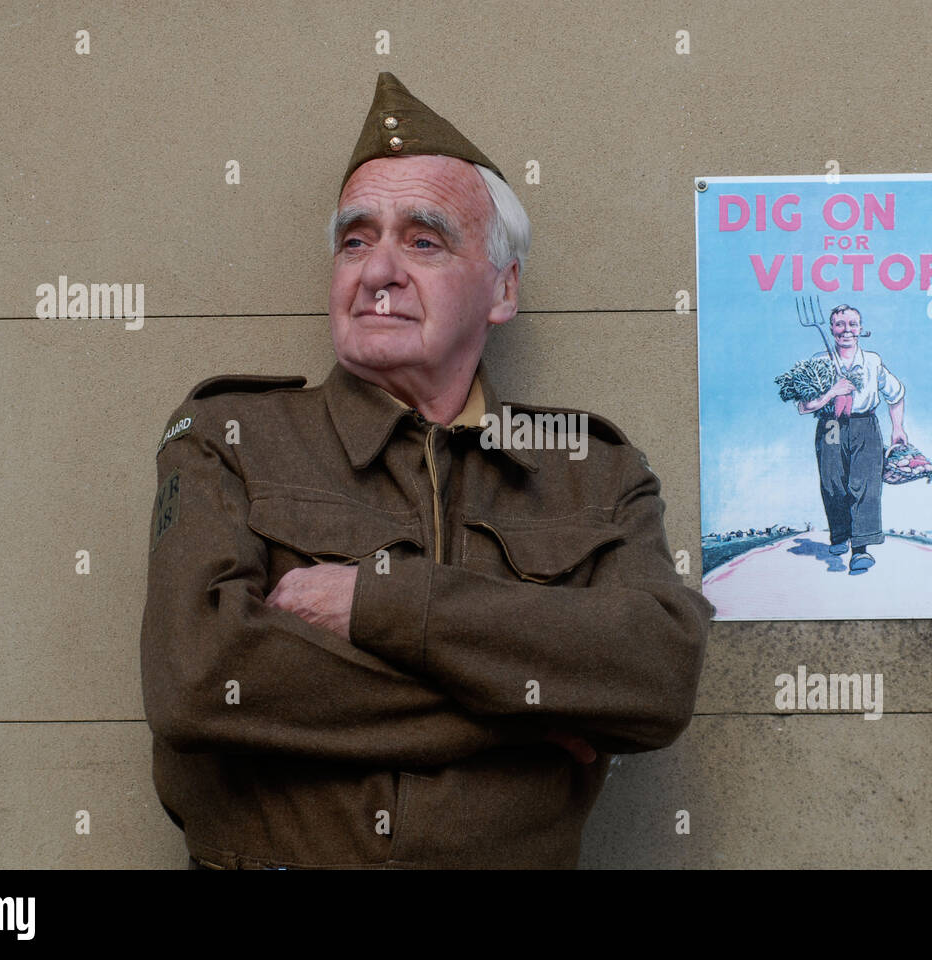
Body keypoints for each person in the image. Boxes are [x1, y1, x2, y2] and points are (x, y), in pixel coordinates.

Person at [139, 72, 713, 869]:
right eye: (354, 239)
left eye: (423, 239)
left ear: (502, 288)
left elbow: (656, 674)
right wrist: (531, 708)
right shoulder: (230, 438)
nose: (377, 270)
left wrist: (382, 605)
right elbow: (200, 680)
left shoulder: (593, 473)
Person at [795, 304, 908, 572]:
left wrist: (898, 428)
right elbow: (804, 406)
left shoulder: (872, 361)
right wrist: (832, 392)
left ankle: (860, 550)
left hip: (865, 424)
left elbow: (897, 394)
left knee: (865, 484)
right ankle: (840, 534)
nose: (846, 330)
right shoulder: (819, 362)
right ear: (832, 329)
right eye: (840, 324)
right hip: (831, 424)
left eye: (852, 324)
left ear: (861, 329)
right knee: (833, 481)